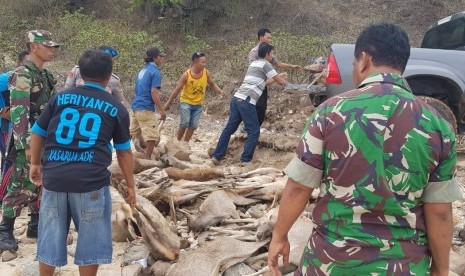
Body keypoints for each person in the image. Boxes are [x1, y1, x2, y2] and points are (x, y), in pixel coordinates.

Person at [267, 23, 463, 275]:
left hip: (331, 263)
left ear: (364, 60)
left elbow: (298, 187)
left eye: (353, 64)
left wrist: (279, 236)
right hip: (404, 266)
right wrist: (440, 269)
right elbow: (440, 212)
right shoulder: (437, 124)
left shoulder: (329, 112)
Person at [29, 49, 136, 276]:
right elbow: (124, 153)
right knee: (91, 242)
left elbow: (37, 133)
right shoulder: (115, 107)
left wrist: (35, 164)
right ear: (109, 76)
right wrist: (131, 186)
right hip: (91, 183)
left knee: (49, 238)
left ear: (80, 72)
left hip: (55, 179)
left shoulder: (60, 98)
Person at [0, 30, 58, 251]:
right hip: (29, 139)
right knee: (20, 183)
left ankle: (35, 224)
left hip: (44, 138)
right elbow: (19, 113)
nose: (52, 50)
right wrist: (25, 146)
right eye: (49, 46)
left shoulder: (45, 75)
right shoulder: (23, 74)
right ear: (34, 46)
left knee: (39, 183)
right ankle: (5, 229)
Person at [211, 43, 288, 164]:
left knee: (229, 129)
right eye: (272, 53)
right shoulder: (266, 64)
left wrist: (277, 77)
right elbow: (280, 81)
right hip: (246, 100)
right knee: (254, 131)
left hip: (236, 99)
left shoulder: (254, 63)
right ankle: (245, 160)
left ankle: (217, 156)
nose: (273, 56)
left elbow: (262, 83)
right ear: (267, 54)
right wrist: (286, 82)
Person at [164, 52, 226, 142]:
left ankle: (185, 144)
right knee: (184, 123)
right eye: (203, 62)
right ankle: (177, 142)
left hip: (198, 104)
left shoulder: (206, 73)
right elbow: (177, 90)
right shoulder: (186, 75)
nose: (205, 64)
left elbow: (212, 84)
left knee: (193, 125)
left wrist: (220, 91)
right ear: (195, 62)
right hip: (186, 102)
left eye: (205, 62)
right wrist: (168, 103)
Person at [249, 28, 302, 127]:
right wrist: (292, 86)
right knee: (257, 106)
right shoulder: (254, 52)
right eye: (268, 37)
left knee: (262, 107)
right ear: (261, 37)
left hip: (264, 84)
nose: (269, 40)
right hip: (256, 84)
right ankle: (251, 129)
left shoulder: (267, 51)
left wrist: (292, 66)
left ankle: (253, 129)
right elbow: (256, 70)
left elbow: (277, 63)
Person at [0, 50, 29, 204]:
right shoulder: (6, 78)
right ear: (18, 63)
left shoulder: (33, 80)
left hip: (19, 127)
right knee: (10, 159)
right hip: (5, 126)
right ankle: (4, 196)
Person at [130, 47, 167, 159]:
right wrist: (161, 110)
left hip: (135, 106)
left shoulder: (143, 70)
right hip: (146, 107)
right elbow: (154, 92)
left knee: (134, 131)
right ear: (155, 58)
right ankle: (147, 159)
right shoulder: (155, 72)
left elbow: (136, 89)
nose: (161, 59)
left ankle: (133, 151)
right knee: (152, 137)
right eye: (160, 57)